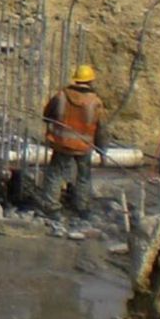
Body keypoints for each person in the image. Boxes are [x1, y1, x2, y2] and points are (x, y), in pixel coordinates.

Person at [40, 64, 107, 213]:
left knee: (55, 174)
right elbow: (101, 129)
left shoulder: (61, 95)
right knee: (83, 177)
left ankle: (51, 205)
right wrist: (102, 151)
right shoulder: (95, 102)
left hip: (62, 143)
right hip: (83, 146)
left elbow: (46, 115)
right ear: (90, 81)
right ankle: (81, 207)